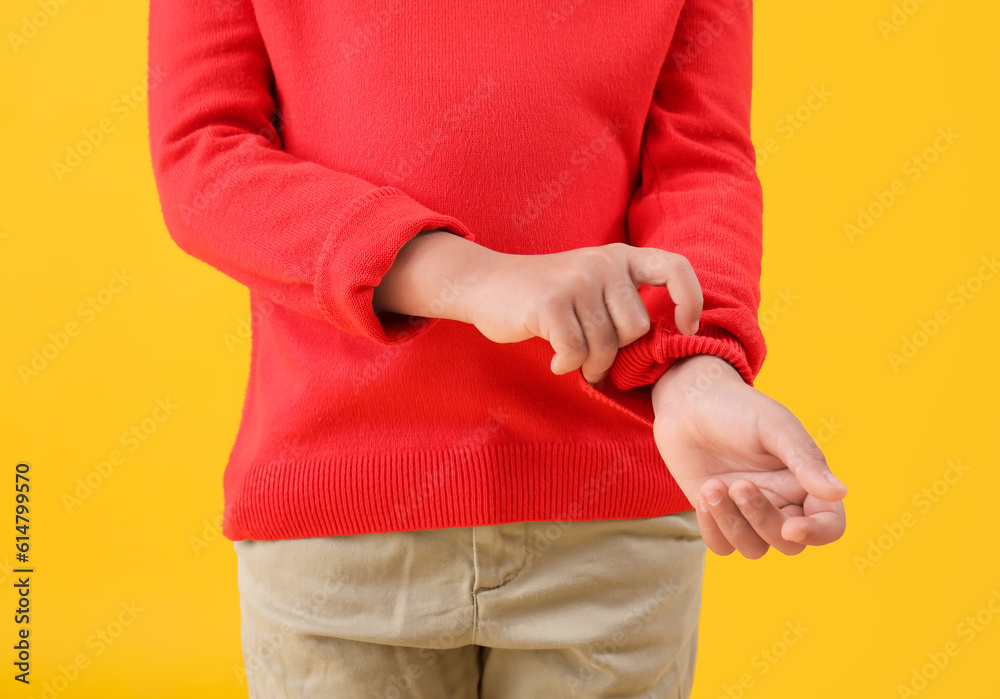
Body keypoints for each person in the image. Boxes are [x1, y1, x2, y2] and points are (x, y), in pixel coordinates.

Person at [147, 0, 848, 696]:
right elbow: (207, 156)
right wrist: (481, 279)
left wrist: (698, 366)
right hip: (340, 519)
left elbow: (698, 159)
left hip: (610, 515)